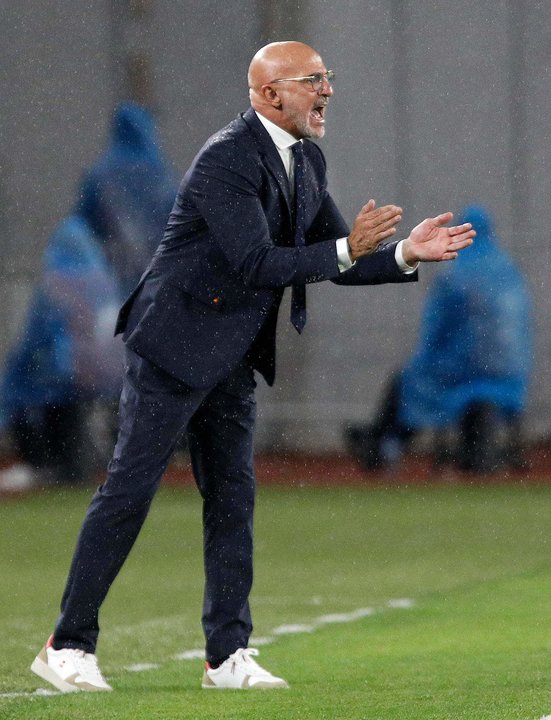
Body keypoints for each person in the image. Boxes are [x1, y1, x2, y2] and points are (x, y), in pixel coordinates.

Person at [30, 41, 475, 692]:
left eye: (329, 77)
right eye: (311, 80)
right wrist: (346, 247)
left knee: (233, 501)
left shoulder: (304, 159)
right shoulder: (226, 159)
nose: (326, 90)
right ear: (269, 95)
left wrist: (405, 250)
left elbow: (333, 257)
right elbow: (258, 263)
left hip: (232, 352)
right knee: (127, 493)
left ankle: (227, 656)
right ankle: (67, 645)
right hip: (174, 345)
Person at [345, 205, 532, 474]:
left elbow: (435, 333)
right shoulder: (511, 274)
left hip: (465, 372)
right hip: (512, 377)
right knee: (423, 380)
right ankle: (392, 444)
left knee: (411, 381)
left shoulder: (457, 276)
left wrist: (426, 360)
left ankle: (384, 444)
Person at [0, 215, 123, 491]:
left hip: (66, 379)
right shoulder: (97, 281)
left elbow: (39, 341)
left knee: (55, 417)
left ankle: (56, 469)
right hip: (77, 378)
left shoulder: (63, 284)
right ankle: (64, 470)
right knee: (62, 423)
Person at [77, 102, 178, 297]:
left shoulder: (101, 174)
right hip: (157, 273)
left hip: (112, 270)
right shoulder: (161, 174)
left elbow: (81, 224)